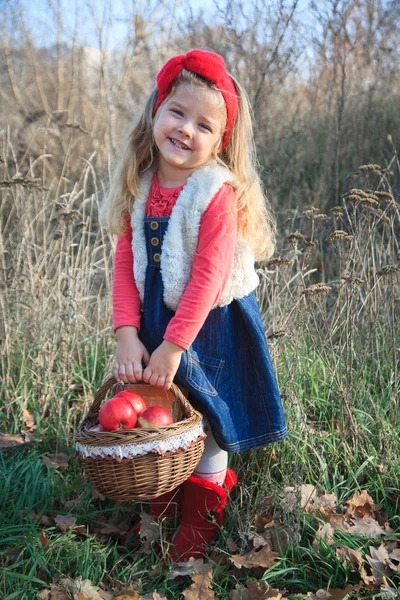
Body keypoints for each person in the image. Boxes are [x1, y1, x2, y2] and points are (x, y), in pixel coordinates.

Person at [100, 49, 287, 561]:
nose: (186, 130)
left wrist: (175, 345)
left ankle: (203, 507)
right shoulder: (138, 186)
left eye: (204, 124)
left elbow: (206, 275)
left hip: (212, 322)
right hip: (157, 319)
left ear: (221, 140)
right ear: (156, 112)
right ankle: (162, 489)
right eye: (177, 113)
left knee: (208, 412)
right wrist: (128, 334)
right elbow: (122, 266)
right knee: (163, 409)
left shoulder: (215, 192)